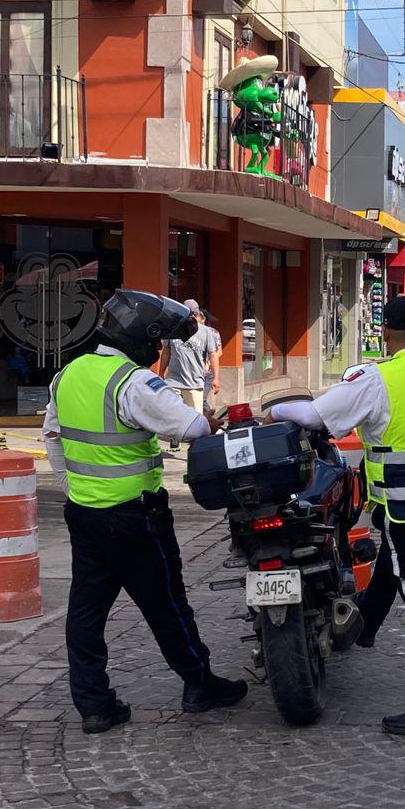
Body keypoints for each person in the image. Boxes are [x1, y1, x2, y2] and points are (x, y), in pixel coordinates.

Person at [265, 296, 405, 736]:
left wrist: (272, 411)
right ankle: (363, 625)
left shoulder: (377, 378)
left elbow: (315, 416)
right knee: (398, 554)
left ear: (385, 332)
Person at [43, 290, 244, 736]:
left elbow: (52, 437)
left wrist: (72, 486)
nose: (157, 354)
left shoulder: (68, 375)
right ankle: (199, 684)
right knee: (166, 604)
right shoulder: (131, 382)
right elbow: (190, 426)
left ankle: (94, 706)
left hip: (85, 513)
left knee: (86, 614)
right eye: (155, 344)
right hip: (136, 516)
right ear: (137, 339)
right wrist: (212, 422)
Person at [159, 300, 221, 417]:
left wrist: (216, 378)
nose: (191, 316)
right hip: (173, 381)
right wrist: (161, 373)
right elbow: (166, 352)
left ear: (196, 314)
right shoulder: (173, 329)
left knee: (194, 419)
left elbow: (213, 355)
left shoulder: (206, 332)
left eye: (194, 314)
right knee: (172, 417)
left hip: (194, 383)